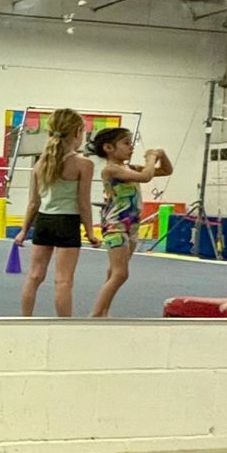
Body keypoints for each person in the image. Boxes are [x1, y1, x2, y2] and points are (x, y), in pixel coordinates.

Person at [13, 107, 98, 317]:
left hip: (44, 221)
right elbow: (83, 203)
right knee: (63, 280)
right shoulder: (83, 164)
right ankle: (64, 327)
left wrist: (24, 230)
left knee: (34, 275)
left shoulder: (41, 163)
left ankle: (24, 320)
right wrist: (90, 231)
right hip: (67, 222)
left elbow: (33, 203)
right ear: (78, 133)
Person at [87, 128, 171, 318]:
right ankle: (96, 314)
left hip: (131, 226)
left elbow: (166, 170)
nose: (131, 146)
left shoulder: (130, 168)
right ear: (108, 148)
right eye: (126, 143)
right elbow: (146, 176)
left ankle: (104, 311)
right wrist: (150, 158)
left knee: (115, 271)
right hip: (115, 225)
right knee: (120, 273)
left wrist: (161, 155)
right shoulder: (111, 170)